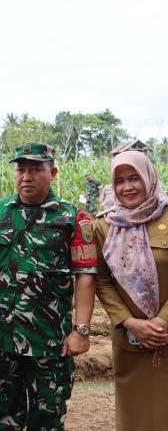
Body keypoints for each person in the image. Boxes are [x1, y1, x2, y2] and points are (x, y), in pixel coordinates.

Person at [0, 142, 97, 430]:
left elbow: (85, 275)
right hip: (2, 338)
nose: (26, 176)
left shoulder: (73, 218)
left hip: (50, 343)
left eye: (36, 169)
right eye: (21, 169)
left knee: (47, 419)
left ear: (53, 172)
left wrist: (82, 331)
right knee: (4, 416)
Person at [93, 151, 168, 429]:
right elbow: (101, 280)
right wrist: (130, 322)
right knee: (135, 418)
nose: (127, 187)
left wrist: (161, 323)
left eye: (134, 178)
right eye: (120, 181)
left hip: (165, 333)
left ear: (149, 177)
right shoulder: (105, 226)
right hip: (130, 342)